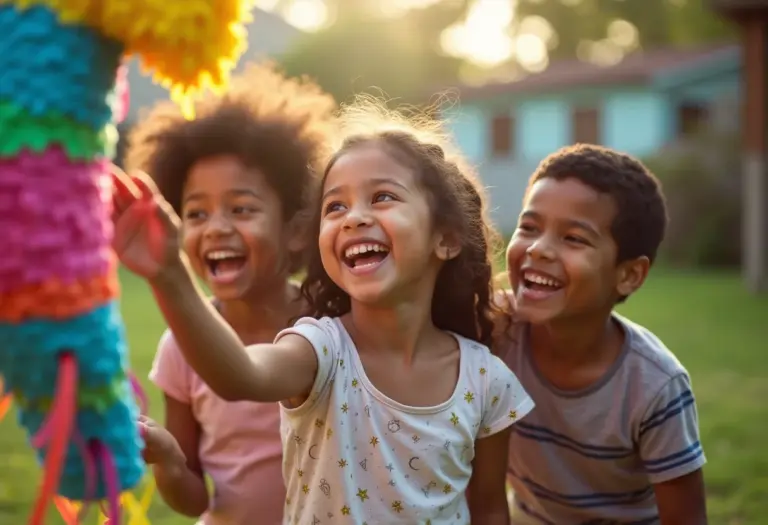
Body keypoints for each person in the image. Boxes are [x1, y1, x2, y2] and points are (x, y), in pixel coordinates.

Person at [112, 99, 534, 524]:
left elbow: (489, 509)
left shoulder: (486, 380)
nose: (353, 218)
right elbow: (241, 374)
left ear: (446, 238)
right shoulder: (320, 349)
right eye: (336, 206)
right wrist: (169, 274)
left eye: (382, 196)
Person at [122, 62, 336, 525]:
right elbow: (194, 499)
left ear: (297, 231)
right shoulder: (181, 346)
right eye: (196, 214)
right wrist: (170, 461)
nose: (217, 228)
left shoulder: (334, 325)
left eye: (241, 208)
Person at [498, 144, 708, 524]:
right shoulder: (494, 337)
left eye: (574, 238)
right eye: (529, 227)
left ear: (628, 275)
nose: (539, 249)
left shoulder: (655, 386)